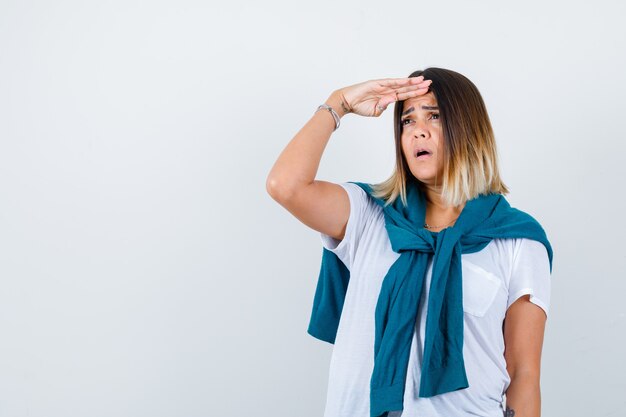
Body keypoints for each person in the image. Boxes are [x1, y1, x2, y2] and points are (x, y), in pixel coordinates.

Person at [266, 67, 553, 417]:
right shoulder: (368, 215)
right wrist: (338, 103)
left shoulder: (518, 239)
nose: (418, 130)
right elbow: (286, 186)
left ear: (469, 129)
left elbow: (524, 374)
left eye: (434, 116)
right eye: (407, 121)